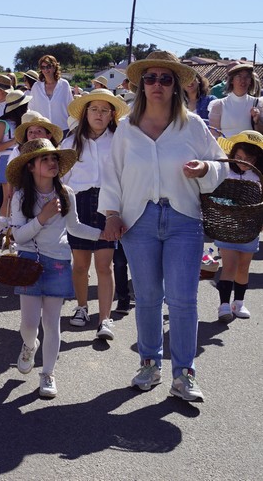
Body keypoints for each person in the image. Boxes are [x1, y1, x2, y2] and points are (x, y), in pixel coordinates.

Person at [99, 51, 228, 402]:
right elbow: (112, 175)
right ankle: (149, 364)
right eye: (150, 78)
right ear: (141, 85)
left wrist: (205, 169)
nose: (157, 84)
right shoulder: (126, 128)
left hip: (184, 219)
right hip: (137, 220)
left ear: (175, 86)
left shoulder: (193, 125)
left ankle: (184, 374)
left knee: (183, 299)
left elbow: (222, 165)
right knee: (147, 298)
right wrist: (111, 214)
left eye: (165, 79)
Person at [7, 138, 104, 398]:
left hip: (59, 262)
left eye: (54, 158)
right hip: (28, 262)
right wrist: (43, 217)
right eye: (45, 159)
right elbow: (18, 236)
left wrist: (102, 234)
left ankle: (48, 373)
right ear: (30, 166)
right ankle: (30, 346)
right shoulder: (21, 196)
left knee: (51, 323)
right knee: (29, 325)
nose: (52, 163)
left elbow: (75, 228)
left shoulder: (66, 193)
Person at [62, 89, 129, 339]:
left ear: (112, 115)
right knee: (80, 265)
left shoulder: (120, 140)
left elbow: (126, 174)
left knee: (104, 265)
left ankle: (105, 319)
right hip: (78, 204)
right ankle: (81, 307)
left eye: (104, 110)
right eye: (94, 109)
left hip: (108, 205)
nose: (99, 114)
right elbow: (62, 178)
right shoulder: (71, 142)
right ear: (85, 113)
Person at [213, 131, 263, 322]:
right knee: (230, 265)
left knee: (243, 266)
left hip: (250, 228)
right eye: (239, 157)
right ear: (233, 154)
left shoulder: (258, 175)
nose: (243, 162)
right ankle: (224, 305)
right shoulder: (225, 171)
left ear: (257, 159)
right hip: (227, 226)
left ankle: (239, 302)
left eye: (249, 159)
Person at [0, 90, 32, 216]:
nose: (28, 107)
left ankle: (16, 224)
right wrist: (14, 141)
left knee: (21, 198)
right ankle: (4, 225)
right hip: (6, 161)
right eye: (25, 105)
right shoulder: (2, 123)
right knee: (8, 198)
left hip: (23, 159)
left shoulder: (25, 122)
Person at [209, 63, 263, 136]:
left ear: (250, 81)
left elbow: (260, 136)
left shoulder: (258, 104)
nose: (243, 80)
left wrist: (257, 121)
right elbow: (214, 136)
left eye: (247, 77)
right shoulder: (218, 105)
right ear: (231, 80)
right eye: (238, 76)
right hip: (225, 143)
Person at [29, 55, 73, 133]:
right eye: (43, 67)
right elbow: (31, 108)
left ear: (54, 67)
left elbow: (70, 106)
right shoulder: (36, 87)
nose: (46, 70)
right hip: (42, 130)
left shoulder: (64, 85)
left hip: (63, 129)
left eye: (48, 66)